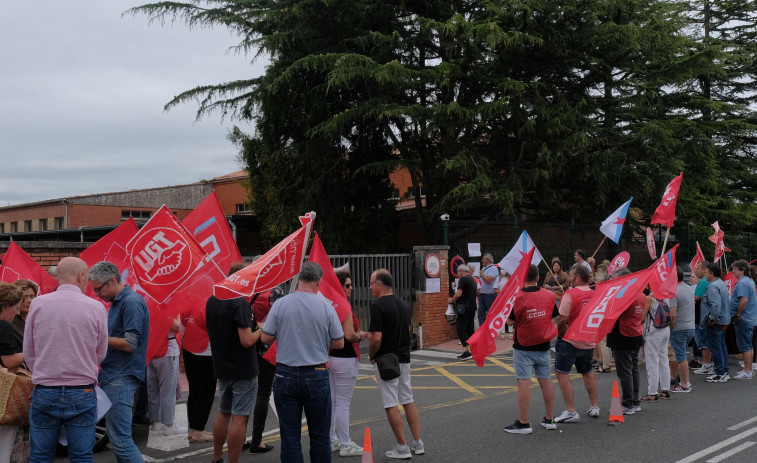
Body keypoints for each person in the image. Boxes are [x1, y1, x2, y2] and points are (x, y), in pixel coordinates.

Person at [23, 257, 108, 462]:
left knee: (40, 455)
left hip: (45, 389)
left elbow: (29, 350)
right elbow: (101, 352)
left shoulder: (38, 304)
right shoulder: (96, 307)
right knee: (81, 456)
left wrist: (43, 371)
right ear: (81, 276)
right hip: (82, 389)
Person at [261, 262, 344, 463]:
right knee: (320, 436)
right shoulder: (326, 306)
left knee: (290, 437)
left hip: (285, 373)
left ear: (298, 280)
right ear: (318, 282)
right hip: (316, 373)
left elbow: (265, 338)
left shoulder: (281, 304)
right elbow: (339, 342)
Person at [89, 260, 150, 463]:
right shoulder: (119, 301)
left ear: (112, 281)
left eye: (98, 288)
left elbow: (131, 343)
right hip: (116, 375)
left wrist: (98, 337)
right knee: (119, 438)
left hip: (121, 376)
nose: (97, 294)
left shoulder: (130, 302)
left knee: (121, 440)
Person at [205, 270, 263, 463]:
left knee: (223, 411)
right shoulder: (239, 302)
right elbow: (247, 340)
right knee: (239, 417)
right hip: (243, 369)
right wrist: (260, 329)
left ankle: (216, 458)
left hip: (222, 366)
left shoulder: (212, 299)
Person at [368, 269, 424, 460]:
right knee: (408, 399)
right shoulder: (403, 304)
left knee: (391, 403)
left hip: (386, 360)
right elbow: (408, 328)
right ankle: (418, 443)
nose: (370, 287)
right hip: (404, 358)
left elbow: (376, 338)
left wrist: (371, 355)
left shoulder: (378, 306)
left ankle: (402, 448)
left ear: (380, 285)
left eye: (372, 283)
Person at [503, 265, 558, 434]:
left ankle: (524, 423)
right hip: (543, 344)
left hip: (523, 345)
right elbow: (554, 318)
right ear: (538, 277)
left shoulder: (517, 298)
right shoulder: (550, 295)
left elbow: (509, 322)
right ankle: (550, 419)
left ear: (522, 278)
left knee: (524, 382)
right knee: (546, 380)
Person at [553, 265, 600, 422]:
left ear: (579, 278)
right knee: (587, 371)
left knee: (561, 373)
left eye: (571, 275)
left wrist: (561, 333)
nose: (569, 278)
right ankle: (594, 406)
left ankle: (571, 411)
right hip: (588, 338)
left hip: (570, 340)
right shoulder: (595, 294)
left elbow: (562, 319)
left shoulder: (570, 294)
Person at [329, 271, 367, 457]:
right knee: (342, 403)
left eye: (351, 285)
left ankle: (332, 441)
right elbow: (349, 335)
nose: (351, 288)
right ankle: (345, 444)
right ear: (340, 286)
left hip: (330, 357)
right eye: (347, 285)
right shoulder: (343, 305)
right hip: (346, 358)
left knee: (333, 402)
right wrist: (360, 335)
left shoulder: (328, 303)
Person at [248, 281, 284, 454]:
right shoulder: (275, 292)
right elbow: (282, 318)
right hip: (268, 348)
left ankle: (240, 437)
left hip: (249, 346)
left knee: (247, 393)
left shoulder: (247, 290)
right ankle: (256, 441)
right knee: (263, 392)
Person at [607, 267, 645, 415]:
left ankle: (628, 403)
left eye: (614, 279)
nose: (612, 281)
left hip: (623, 335)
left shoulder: (624, 296)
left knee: (625, 371)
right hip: (635, 334)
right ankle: (635, 401)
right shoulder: (640, 293)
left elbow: (612, 312)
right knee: (633, 368)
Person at [181, 301, 216, 443]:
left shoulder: (190, 303)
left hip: (189, 348)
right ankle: (198, 431)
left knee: (194, 390)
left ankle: (193, 429)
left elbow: (183, 327)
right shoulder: (210, 305)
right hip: (205, 352)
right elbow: (216, 330)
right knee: (206, 392)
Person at [147, 316, 187, 435]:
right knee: (168, 391)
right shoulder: (166, 307)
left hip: (151, 349)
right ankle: (169, 425)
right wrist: (178, 315)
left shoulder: (149, 303)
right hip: (167, 350)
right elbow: (176, 327)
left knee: (153, 389)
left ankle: (156, 422)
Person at [0, 282, 26, 463]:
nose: (17, 313)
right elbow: (9, 361)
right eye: (15, 308)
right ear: (4, 306)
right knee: (3, 447)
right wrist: (32, 352)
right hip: (2, 394)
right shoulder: (3, 326)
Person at [702, 263, 732, 383]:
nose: (704, 274)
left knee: (716, 347)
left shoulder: (713, 286)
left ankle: (720, 373)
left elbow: (716, 304)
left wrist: (711, 318)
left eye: (706, 272)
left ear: (711, 273)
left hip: (717, 321)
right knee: (721, 345)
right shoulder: (721, 284)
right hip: (723, 319)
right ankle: (724, 370)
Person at [669, 266, 696, 393]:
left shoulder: (673, 291)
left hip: (679, 328)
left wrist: (670, 327)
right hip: (690, 326)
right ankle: (686, 382)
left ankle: (684, 384)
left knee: (680, 357)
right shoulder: (687, 288)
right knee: (682, 355)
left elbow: (673, 314)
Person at [729, 259, 757, 380]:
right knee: (748, 345)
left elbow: (744, 300)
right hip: (749, 318)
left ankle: (747, 370)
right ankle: (748, 369)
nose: (733, 271)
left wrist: (738, 314)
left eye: (735, 269)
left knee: (745, 345)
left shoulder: (742, 283)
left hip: (744, 318)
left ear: (742, 270)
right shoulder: (748, 281)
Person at [640, 296, 671, 401]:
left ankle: (652, 393)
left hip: (653, 331)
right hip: (665, 329)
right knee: (664, 359)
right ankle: (665, 389)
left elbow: (643, 318)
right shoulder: (666, 296)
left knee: (652, 362)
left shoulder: (650, 298)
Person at [448, 264, 477, 360]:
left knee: (461, 329)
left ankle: (468, 351)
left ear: (461, 271)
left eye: (458, 272)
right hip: (472, 308)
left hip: (464, 309)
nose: (457, 274)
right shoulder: (473, 279)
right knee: (470, 330)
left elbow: (458, 294)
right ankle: (471, 351)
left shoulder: (463, 280)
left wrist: (452, 300)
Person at [692, 261, 713, 374]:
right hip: (703, 315)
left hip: (700, 316)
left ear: (704, 269)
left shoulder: (704, 281)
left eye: (698, 267)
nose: (696, 269)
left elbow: (696, 297)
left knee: (703, 341)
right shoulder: (706, 281)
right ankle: (708, 363)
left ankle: (707, 364)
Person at [10, 279, 37, 351]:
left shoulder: (38, 319)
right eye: (24, 297)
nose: (29, 301)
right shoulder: (9, 321)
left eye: (32, 296)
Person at [477, 253, 499, 326]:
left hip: (489, 295)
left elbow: (488, 280)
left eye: (483, 259)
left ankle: (491, 330)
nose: (482, 260)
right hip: (482, 294)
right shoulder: (483, 268)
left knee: (490, 314)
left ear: (488, 260)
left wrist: (482, 273)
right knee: (480, 314)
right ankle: (482, 331)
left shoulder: (493, 269)